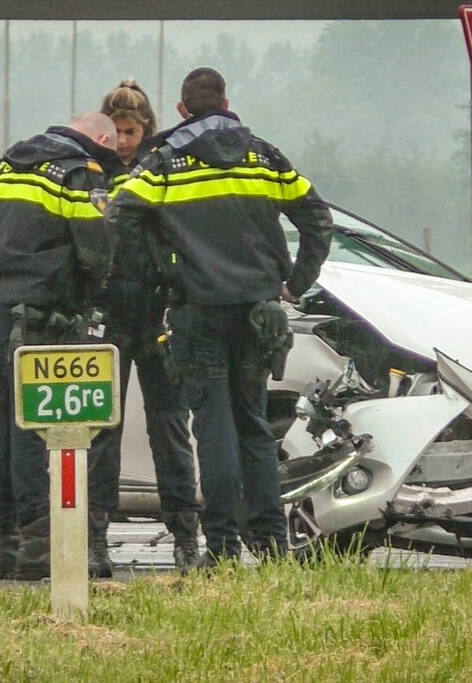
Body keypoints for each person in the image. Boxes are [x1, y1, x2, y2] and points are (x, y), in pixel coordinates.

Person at [105, 68, 334, 568]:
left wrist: (167, 263)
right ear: (227, 102)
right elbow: (317, 219)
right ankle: (272, 541)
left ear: (184, 110)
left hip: (197, 310)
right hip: (260, 313)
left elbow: (120, 215)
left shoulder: (167, 162)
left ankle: (225, 545)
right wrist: (294, 283)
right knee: (252, 423)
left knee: (213, 427)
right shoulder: (265, 156)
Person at [0, 112, 119, 580]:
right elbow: (94, 247)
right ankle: (35, 546)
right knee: (32, 423)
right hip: (37, 309)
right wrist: (92, 295)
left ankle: (5, 544)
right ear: (100, 139)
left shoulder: (0, 169)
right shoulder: (79, 172)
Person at [84, 80, 201, 578]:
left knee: (171, 429)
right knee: (100, 430)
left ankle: (185, 537)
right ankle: (93, 540)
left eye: (132, 131)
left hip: (157, 311)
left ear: (147, 130)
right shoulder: (88, 172)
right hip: (108, 313)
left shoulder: (166, 171)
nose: (125, 141)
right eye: (117, 132)